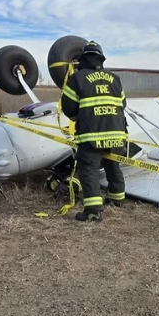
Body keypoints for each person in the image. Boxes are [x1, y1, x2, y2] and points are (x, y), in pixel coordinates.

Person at [61, 40, 127, 222]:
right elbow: (123, 104)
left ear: (83, 59)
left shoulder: (77, 78)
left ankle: (92, 210)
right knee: (113, 164)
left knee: (88, 169)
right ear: (100, 59)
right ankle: (117, 199)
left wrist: (81, 116)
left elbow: (68, 107)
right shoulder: (115, 79)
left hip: (91, 134)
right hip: (116, 132)